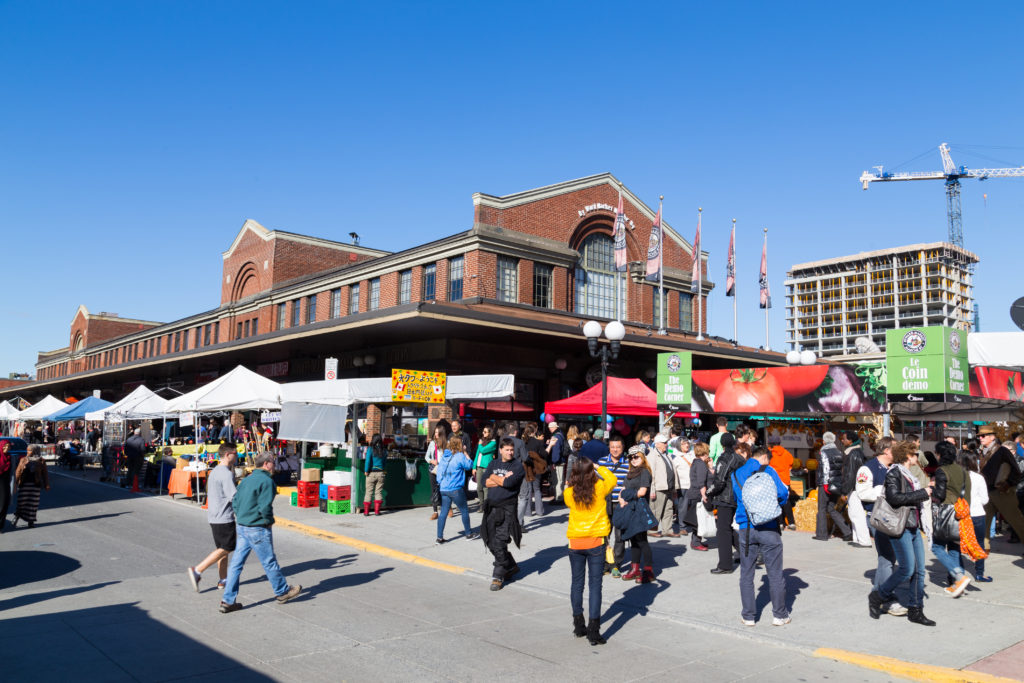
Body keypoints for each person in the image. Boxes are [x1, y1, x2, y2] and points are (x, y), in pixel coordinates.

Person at [219, 451, 301, 613]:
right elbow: (265, 507)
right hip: (257, 527)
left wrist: (241, 515)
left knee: (236, 565)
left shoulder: (246, 480)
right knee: (269, 561)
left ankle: (227, 600)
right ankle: (282, 591)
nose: (274, 466)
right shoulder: (267, 481)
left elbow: (235, 501)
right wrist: (268, 522)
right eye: (273, 463)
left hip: (242, 525)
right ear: (266, 464)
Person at [868, 441, 936, 626]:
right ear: (908, 456)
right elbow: (894, 498)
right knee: (907, 569)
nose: (917, 457)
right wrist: (923, 493)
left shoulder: (910, 475)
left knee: (919, 571)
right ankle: (878, 596)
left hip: (913, 525)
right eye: (915, 454)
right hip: (900, 526)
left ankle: (915, 609)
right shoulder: (895, 473)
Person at [734, 446, 791, 626]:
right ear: (765, 457)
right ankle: (779, 615)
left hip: (746, 527)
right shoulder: (769, 470)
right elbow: (782, 494)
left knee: (746, 572)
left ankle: (749, 616)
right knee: (774, 573)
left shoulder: (736, 474)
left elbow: (737, 498)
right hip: (768, 526)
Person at [565, 457, 617, 646]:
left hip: (575, 542)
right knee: (595, 586)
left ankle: (578, 624)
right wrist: (597, 466)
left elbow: (569, 499)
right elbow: (612, 479)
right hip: (595, 541)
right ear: (591, 472)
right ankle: (594, 631)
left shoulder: (569, 493)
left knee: (577, 583)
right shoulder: (600, 489)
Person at [854, 436, 905, 616]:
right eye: (896, 449)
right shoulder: (867, 468)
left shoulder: (895, 467)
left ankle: (880, 594)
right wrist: (886, 491)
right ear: (886, 451)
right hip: (878, 517)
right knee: (887, 557)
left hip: (894, 517)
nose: (899, 453)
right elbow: (863, 493)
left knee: (888, 558)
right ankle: (884, 597)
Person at [187, 443, 238, 592]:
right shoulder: (226, 473)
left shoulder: (215, 470)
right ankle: (198, 570)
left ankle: (223, 579)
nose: (237, 456)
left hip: (214, 516)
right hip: (224, 516)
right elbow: (234, 496)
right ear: (228, 454)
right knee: (228, 547)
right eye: (235, 453)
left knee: (222, 549)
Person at [480, 438, 524, 591]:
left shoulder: (518, 466)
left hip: (508, 509)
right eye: (507, 449)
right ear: (500, 450)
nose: (510, 452)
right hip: (491, 507)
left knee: (500, 541)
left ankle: (498, 576)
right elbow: (484, 481)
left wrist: (496, 478)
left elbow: (509, 484)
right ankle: (510, 565)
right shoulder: (493, 463)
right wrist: (497, 478)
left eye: (512, 450)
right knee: (490, 541)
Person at [930, 441, 972, 597]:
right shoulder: (963, 471)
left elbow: (939, 495)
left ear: (940, 454)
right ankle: (957, 583)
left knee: (937, 547)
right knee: (954, 548)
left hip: (946, 514)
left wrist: (932, 488)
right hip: (962, 514)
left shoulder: (942, 471)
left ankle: (959, 577)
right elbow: (968, 494)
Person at [978, 425, 1024, 544]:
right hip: (987, 493)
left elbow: (1016, 471)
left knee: (1018, 523)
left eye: (983, 436)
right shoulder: (982, 451)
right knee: (984, 525)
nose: (980, 438)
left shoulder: (1002, 450)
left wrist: (1008, 485)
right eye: (979, 436)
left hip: (1002, 493)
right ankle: (982, 554)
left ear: (992, 437)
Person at [617, 445, 655, 583]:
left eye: (636, 456)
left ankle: (648, 571)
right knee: (633, 541)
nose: (633, 460)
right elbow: (623, 489)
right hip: (629, 510)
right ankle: (635, 569)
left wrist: (626, 495)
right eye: (631, 457)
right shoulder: (630, 472)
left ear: (642, 457)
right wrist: (621, 499)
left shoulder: (644, 472)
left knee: (642, 541)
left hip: (640, 511)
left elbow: (642, 492)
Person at [707, 433, 744, 574]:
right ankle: (748, 552)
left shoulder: (724, 458)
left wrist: (709, 493)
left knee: (723, 531)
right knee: (727, 528)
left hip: (725, 498)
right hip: (736, 496)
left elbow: (719, 481)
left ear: (722, 444)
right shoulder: (740, 458)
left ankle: (725, 565)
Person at [597, 434, 630, 576]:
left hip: (621, 504)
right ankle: (605, 563)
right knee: (604, 534)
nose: (615, 450)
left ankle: (616, 564)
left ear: (622, 448)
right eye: (612, 447)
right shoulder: (601, 462)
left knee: (620, 536)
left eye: (618, 447)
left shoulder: (628, 463)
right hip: (605, 503)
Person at [436, 435, 476, 544]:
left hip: (444, 488)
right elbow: (470, 465)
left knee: (443, 512)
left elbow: (439, 472)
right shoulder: (460, 456)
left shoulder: (445, 456)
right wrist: (466, 453)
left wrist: (440, 483)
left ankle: (439, 538)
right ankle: (468, 534)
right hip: (456, 489)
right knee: (464, 511)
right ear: (460, 444)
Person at [814, 432, 852, 542]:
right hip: (837, 484)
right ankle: (847, 531)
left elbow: (825, 469)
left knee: (821, 509)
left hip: (825, 484)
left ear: (824, 441)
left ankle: (821, 534)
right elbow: (841, 470)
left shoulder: (823, 452)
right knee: (831, 509)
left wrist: (825, 485)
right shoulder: (839, 452)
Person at [960, 452, 991, 582]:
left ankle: (958, 575)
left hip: (962, 515)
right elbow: (985, 499)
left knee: (958, 545)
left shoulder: (956, 477)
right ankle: (979, 573)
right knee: (979, 543)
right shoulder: (979, 478)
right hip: (977, 514)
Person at [840, 431, 870, 546]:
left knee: (856, 514)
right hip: (856, 487)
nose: (842, 441)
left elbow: (851, 474)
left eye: (844, 439)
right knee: (854, 513)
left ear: (850, 441)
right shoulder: (856, 452)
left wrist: (845, 490)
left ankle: (864, 540)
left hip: (854, 488)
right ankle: (857, 538)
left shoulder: (853, 454)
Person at [682, 442, 713, 551]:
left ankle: (696, 541)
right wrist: (704, 495)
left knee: (699, 519)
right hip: (698, 494)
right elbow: (701, 482)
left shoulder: (697, 462)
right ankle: (695, 542)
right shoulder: (700, 464)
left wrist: (710, 466)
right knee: (699, 519)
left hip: (695, 493)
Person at [648, 433, 678, 538]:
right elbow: (651, 474)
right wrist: (652, 489)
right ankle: (652, 530)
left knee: (668, 510)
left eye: (666, 442)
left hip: (668, 487)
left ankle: (667, 530)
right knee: (656, 510)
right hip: (659, 488)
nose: (666, 444)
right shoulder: (652, 456)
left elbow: (672, 471)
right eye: (664, 443)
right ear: (657, 444)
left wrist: (674, 489)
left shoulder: (667, 455)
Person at [518, 424, 546, 524]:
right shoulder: (538, 442)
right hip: (536, 467)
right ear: (534, 432)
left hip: (525, 467)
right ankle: (539, 511)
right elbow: (544, 454)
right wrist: (550, 446)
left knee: (528, 489)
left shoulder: (522, 442)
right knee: (537, 489)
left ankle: (528, 511)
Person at [766, 434, 795, 530]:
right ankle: (791, 523)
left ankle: (780, 523)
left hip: (775, 481)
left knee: (776, 501)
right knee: (786, 501)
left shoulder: (769, 454)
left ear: (770, 444)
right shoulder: (786, 453)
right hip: (785, 480)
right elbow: (791, 463)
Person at [670, 435, 694, 536]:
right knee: (683, 506)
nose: (686, 445)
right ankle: (682, 527)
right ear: (679, 446)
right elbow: (673, 473)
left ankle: (691, 523)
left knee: (692, 506)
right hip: (682, 485)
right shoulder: (676, 458)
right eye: (684, 444)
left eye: (687, 443)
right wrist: (674, 488)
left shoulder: (692, 455)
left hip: (693, 484)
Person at [474, 424, 497, 509]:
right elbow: (477, 454)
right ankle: (481, 503)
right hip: (479, 466)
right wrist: (474, 466)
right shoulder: (482, 441)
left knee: (485, 487)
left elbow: (483, 450)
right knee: (479, 487)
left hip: (487, 467)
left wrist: (480, 444)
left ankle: (486, 505)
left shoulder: (493, 442)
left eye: (485, 432)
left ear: (489, 433)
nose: (483, 433)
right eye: (483, 432)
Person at [363, 434, 387, 516]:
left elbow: (368, 461)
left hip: (371, 473)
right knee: (378, 492)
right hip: (381, 473)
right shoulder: (384, 450)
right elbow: (384, 463)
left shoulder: (370, 449)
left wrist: (366, 470)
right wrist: (382, 469)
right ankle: (377, 511)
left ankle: (366, 512)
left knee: (368, 492)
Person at [546, 421, 567, 502]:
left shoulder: (556, 436)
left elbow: (556, 451)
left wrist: (554, 462)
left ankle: (558, 498)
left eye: (550, 428)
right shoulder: (560, 434)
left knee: (557, 480)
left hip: (558, 462)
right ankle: (558, 497)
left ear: (554, 428)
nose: (549, 429)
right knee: (559, 480)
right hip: (560, 461)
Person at [0, 440, 13, 532]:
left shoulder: (10, 458)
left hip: (4, 484)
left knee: (4, 504)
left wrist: (14, 485)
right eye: (4, 446)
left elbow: (12, 474)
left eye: (8, 446)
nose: (6, 448)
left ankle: (0, 525)